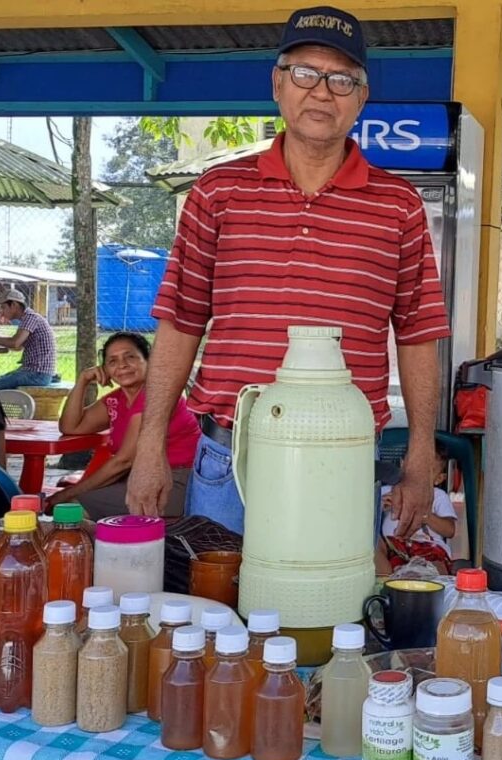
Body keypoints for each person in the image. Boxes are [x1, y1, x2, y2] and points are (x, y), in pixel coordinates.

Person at [126, 5, 449, 535]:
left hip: (342, 460)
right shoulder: (217, 193)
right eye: (305, 73)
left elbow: (418, 336)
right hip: (229, 460)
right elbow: (180, 322)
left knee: (332, 612)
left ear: (362, 98)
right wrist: (150, 447)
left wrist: (419, 456)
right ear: (278, 84)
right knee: (219, 611)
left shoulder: (399, 206)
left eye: (342, 79)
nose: (322, 91)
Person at [46, 332, 201, 520]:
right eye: (112, 361)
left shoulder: (154, 396)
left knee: (72, 509)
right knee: (73, 505)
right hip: (141, 479)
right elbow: (70, 426)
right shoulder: (117, 400)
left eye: (130, 357)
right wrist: (83, 381)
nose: (122, 365)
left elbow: (123, 461)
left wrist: (67, 493)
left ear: (149, 361)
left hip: (177, 481)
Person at [376, 440, 458, 575]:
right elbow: (365, 523)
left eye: (428, 472)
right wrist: (379, 507)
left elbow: (450, 531)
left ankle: (424, 580)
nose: (418, 476)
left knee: (438, 565)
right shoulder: (386, 491)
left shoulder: (437, 495)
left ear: (438, 479)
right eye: (415, 468)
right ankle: (386, 582)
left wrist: (425, 514)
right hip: (393, 545)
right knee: (374, 547)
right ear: (403, 465)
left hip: (427, 546)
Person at [0, 289, 56, 390]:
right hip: (33, 372)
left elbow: (15, 343)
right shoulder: (27, 319)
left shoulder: (30, 318)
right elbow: (18, 347)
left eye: (3, 307)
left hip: (37, 374)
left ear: (13, 305)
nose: (2, 312)